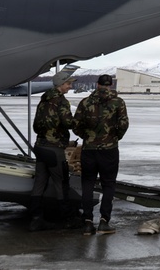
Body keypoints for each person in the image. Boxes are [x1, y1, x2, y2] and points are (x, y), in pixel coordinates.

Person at [74, 74, 129, 235]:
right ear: (110, 85)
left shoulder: (85, 102)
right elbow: (123, 124)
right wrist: (115, 137)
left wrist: (87, 137)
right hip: (109, 150)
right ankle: (104, 221)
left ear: (97, 85)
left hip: (89, 149)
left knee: (88, 184)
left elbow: (76, 125)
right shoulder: (118, 102)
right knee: (109, 184)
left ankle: (87, 222)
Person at [28, 70, 77, 231]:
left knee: (39, 183)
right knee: (61, 183)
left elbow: (37, 125)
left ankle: (36, 218)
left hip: (40, 146)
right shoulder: (61, 101)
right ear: (61, 84)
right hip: (54, 149)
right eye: (68, 83)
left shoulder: (44, 100)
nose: (70, 86)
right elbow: (68, 122)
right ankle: (68, 219)